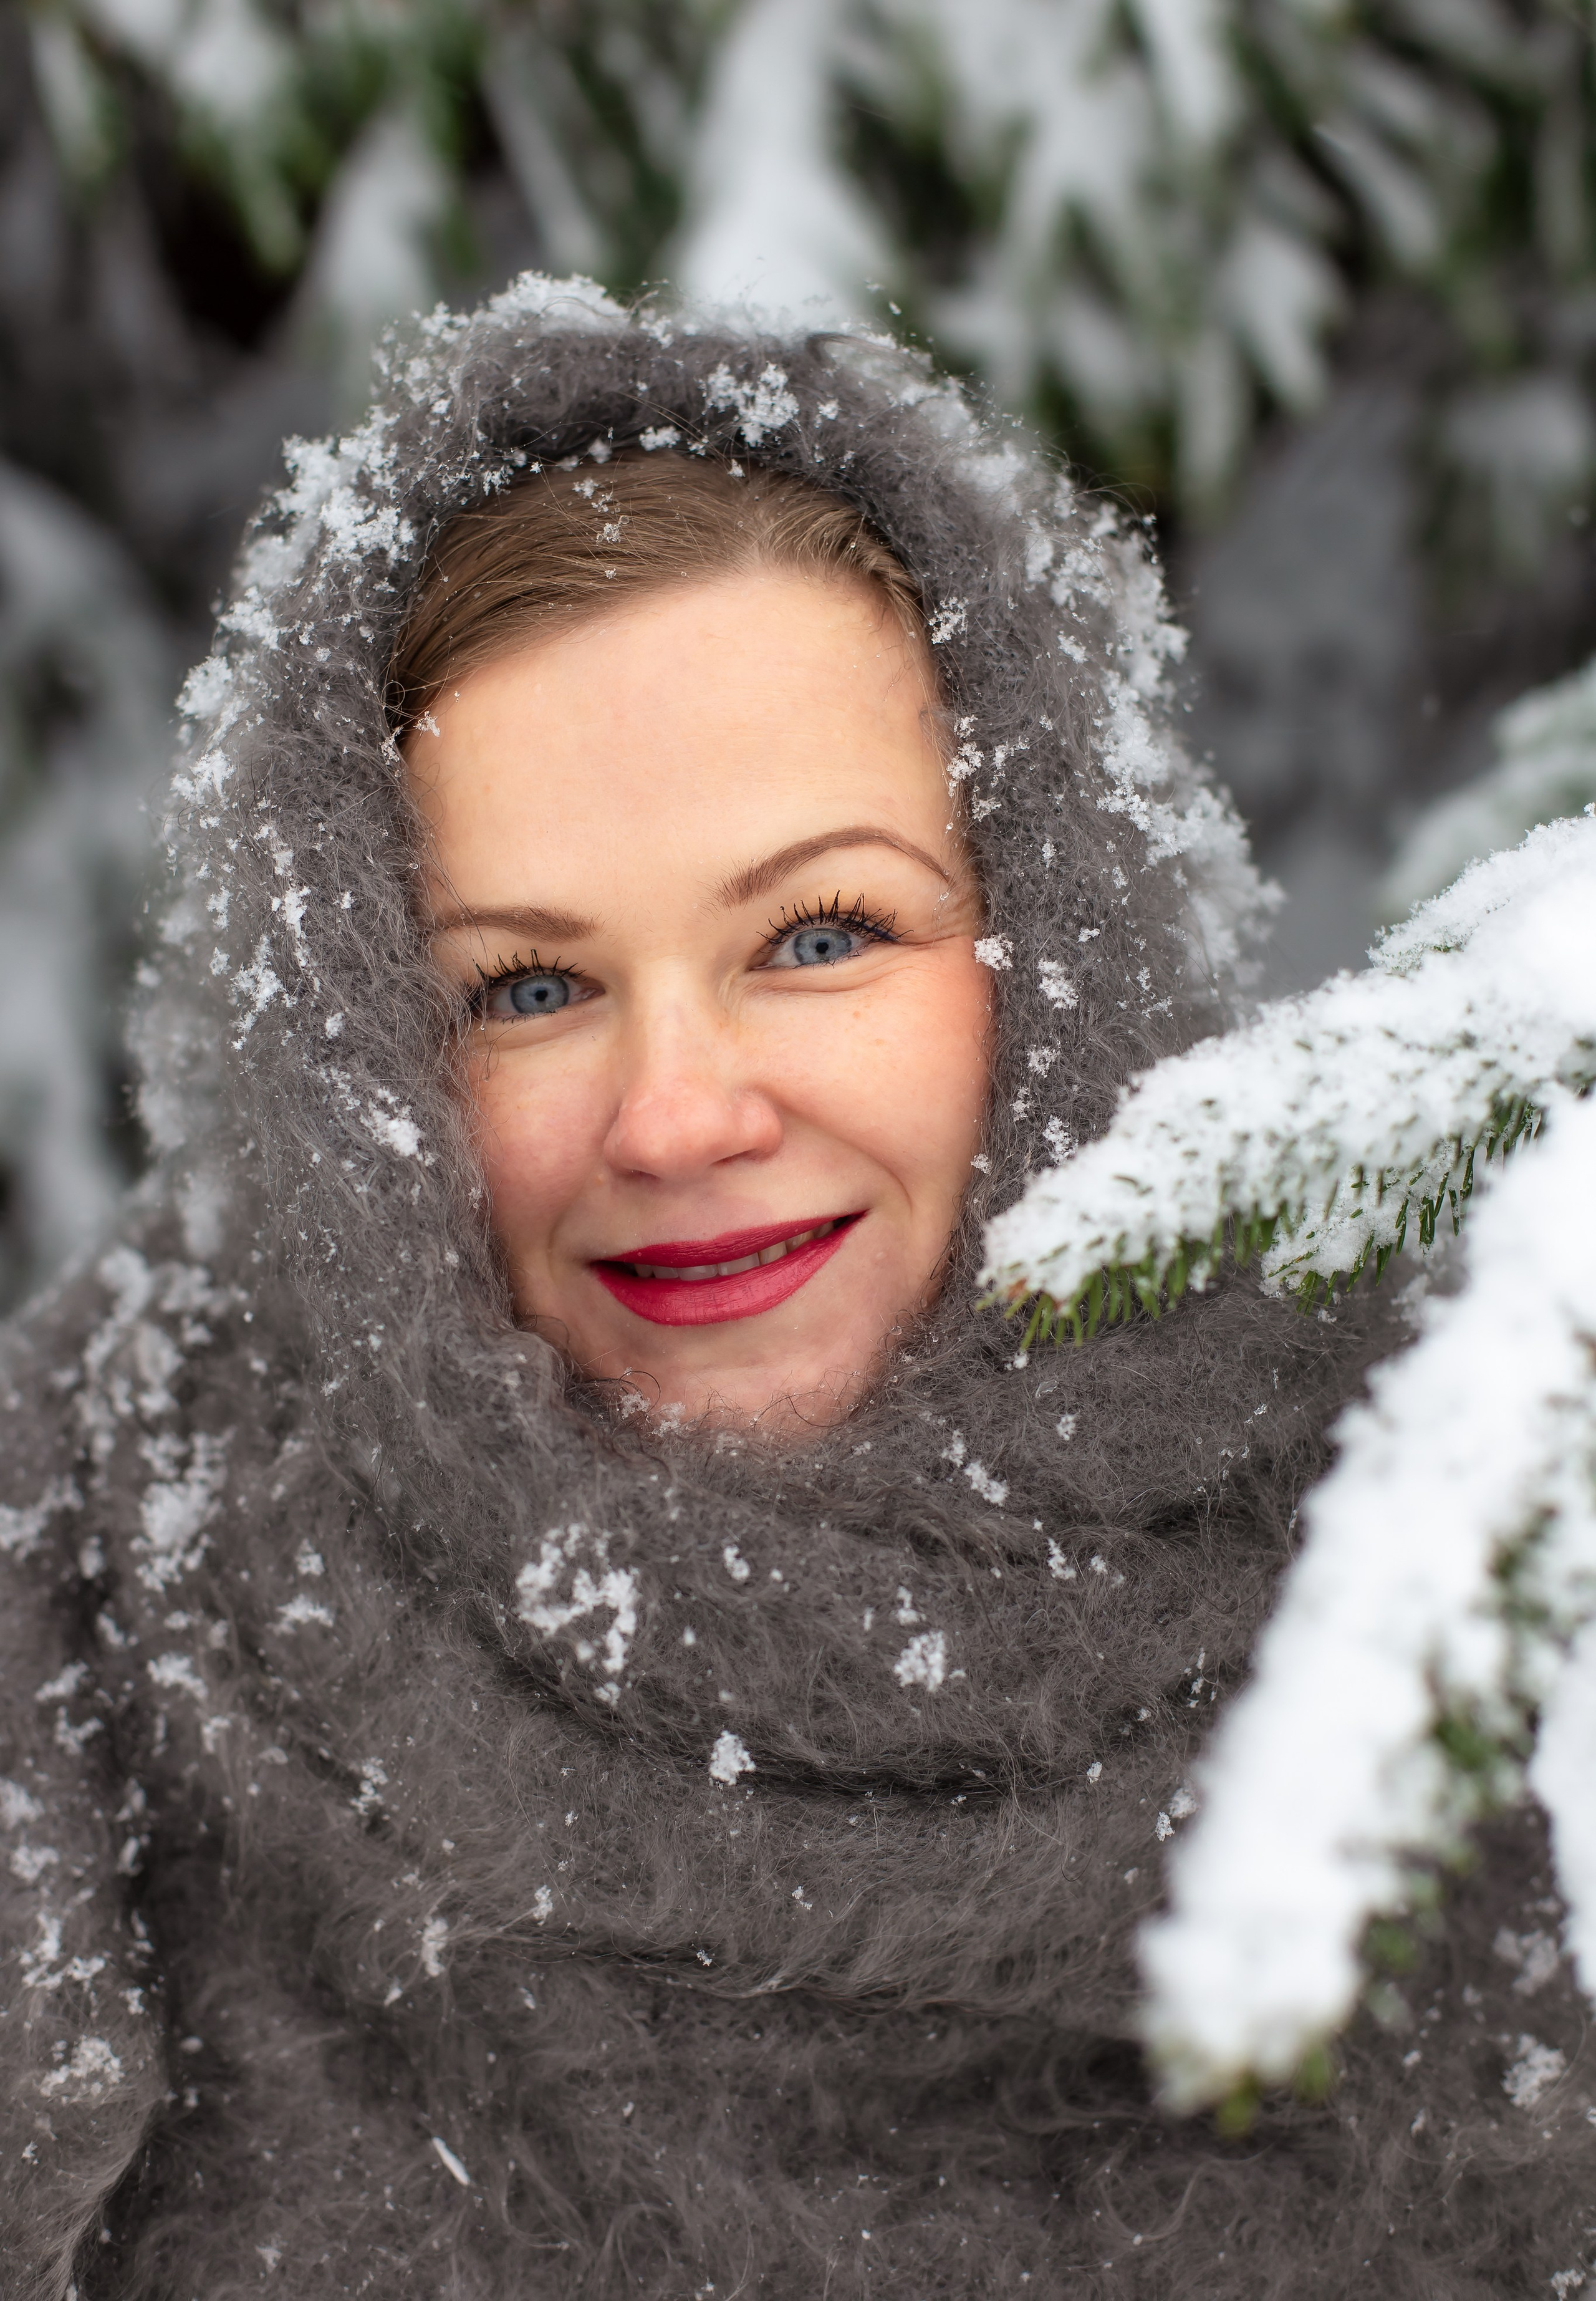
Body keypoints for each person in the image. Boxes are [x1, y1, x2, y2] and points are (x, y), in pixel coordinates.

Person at [1, 276, 1588, 2299]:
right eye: (528, 988)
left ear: (1048, 929)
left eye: (823, 933)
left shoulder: (1471, 1541)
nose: (675, 1115)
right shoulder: (98, 1594)